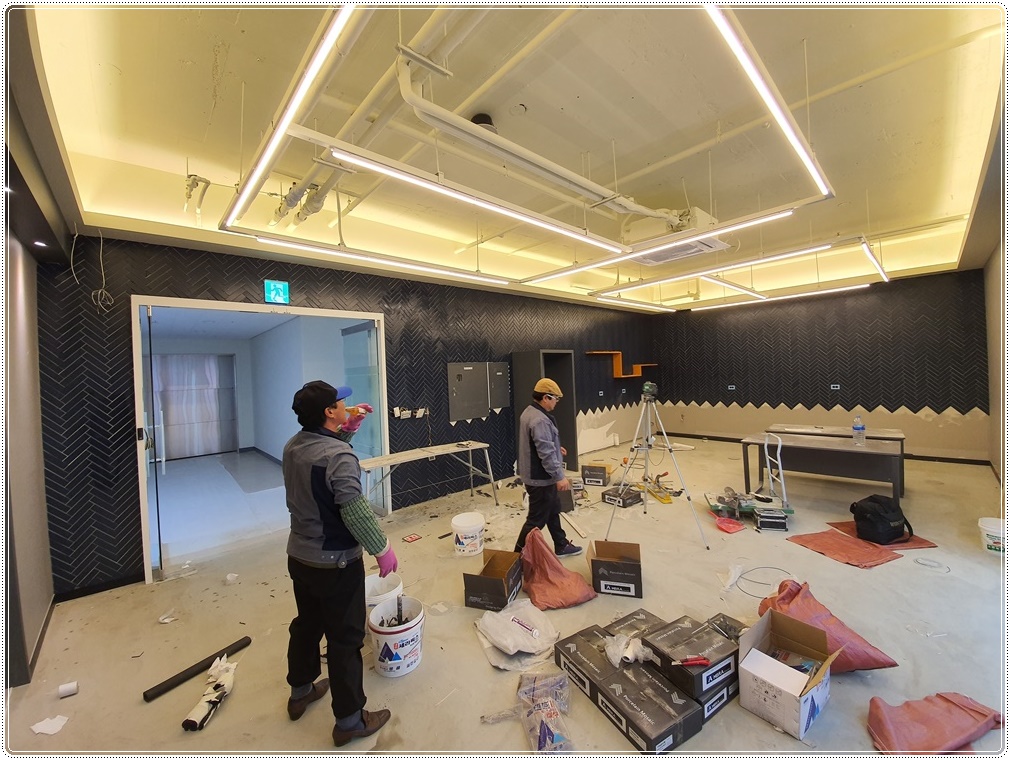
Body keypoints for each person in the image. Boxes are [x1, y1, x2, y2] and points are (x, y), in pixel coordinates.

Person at [282, 380, 396, 747]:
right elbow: (354, 509)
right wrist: (382, 548)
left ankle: (301, 691)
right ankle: (349, 721)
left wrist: (348, 430)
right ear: (329, 412)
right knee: (345, 639)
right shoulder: (339, 457)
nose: (347, 404)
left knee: (307, 623)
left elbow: (322, 468)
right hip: (336, 563)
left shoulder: (293, 446)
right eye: (341, 403)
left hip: (300, 557)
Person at [513, 377, 583, 557]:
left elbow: (539, 443)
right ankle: (515, 558)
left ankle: (561, 544)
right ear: (546, 397)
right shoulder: (540, 420)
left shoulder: (529, 412)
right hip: (540, 478)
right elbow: (545, 452)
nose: (556, 402)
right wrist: (559, 476)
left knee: (553, 508)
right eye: (555, 399)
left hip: (536, 474)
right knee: (535, 520)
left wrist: (556, 447)